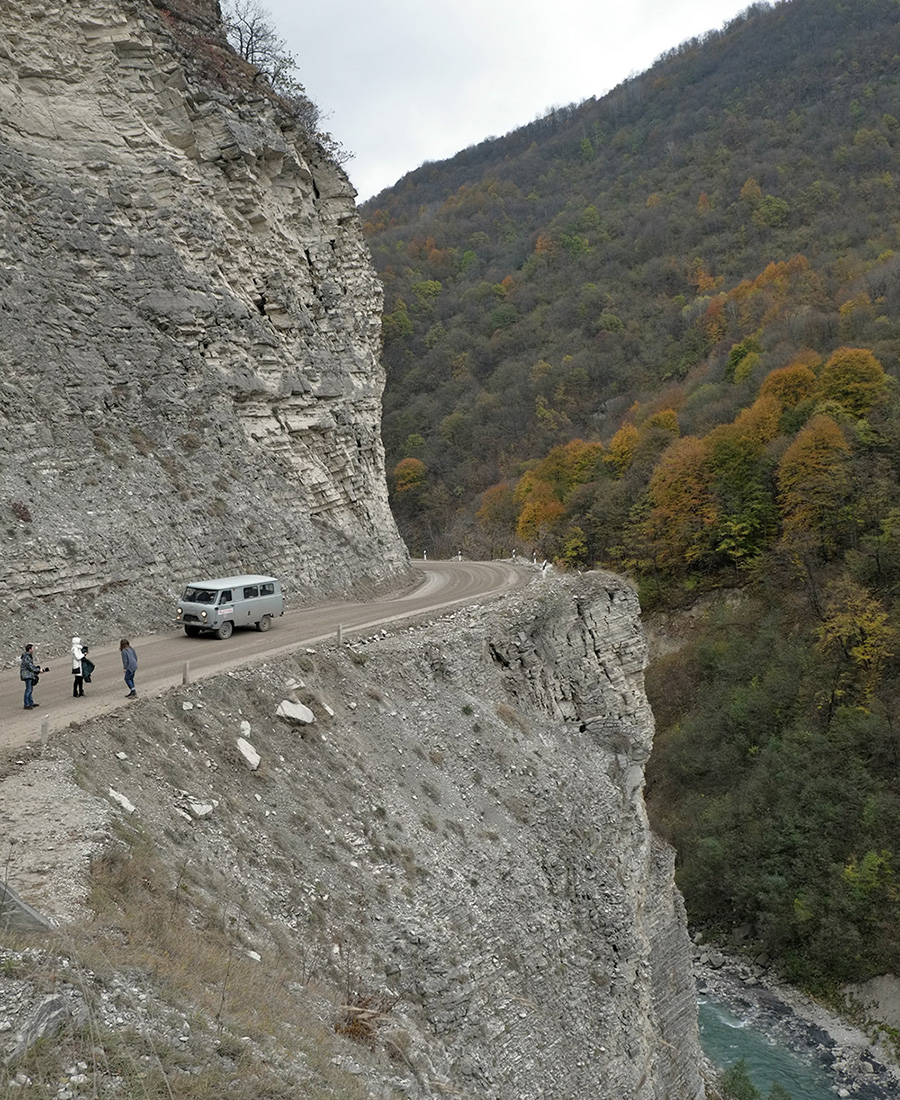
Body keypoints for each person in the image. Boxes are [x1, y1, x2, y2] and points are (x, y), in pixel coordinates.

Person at [20, 643, 48, 710]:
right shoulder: (27, 657)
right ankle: (27, 704)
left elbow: (31, 666)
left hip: (28, 674)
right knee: (28, 690)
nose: (33, 650)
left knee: (30, 689)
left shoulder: (26, 656)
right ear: (30, 649)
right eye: (32, 648)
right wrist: (38, 670)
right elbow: (30, 666)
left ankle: (30, 703)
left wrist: (37, 670)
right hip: (27, 675)